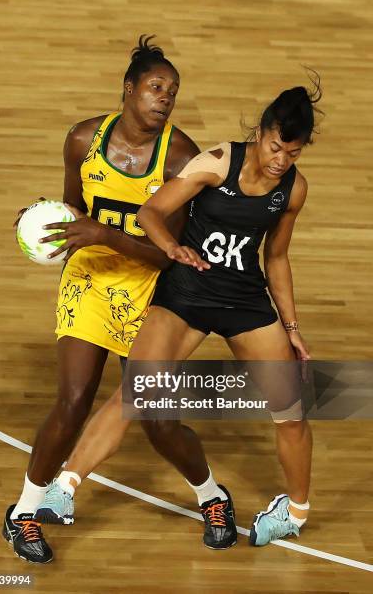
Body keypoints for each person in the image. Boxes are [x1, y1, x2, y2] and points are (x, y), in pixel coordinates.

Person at [43, 76, 322, 553]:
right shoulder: (217, 161)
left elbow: (276, 258)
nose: (281, 161)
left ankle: (293, 511)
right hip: (188, 292)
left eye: (292, 154)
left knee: (291, 412)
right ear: (262, 133)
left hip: (244, 300)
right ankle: (64, 487)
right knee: (139, 390)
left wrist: (292, 328)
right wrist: (173, 248)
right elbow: (152, 211)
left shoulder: (292, 190)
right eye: (276, 147)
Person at [2, 35, 200, 564]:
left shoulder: (181, 157)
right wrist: (40, 224)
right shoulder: (82, 140)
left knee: (159, 422)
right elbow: (72, 210)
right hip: (89, 278)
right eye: (156, 87)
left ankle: (210, 494)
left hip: (149, 288)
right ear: (128, 89)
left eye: (173, 93)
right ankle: (23, 514)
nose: (165, 99)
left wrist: (106, 237)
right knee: (72, 402)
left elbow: (168, 256)